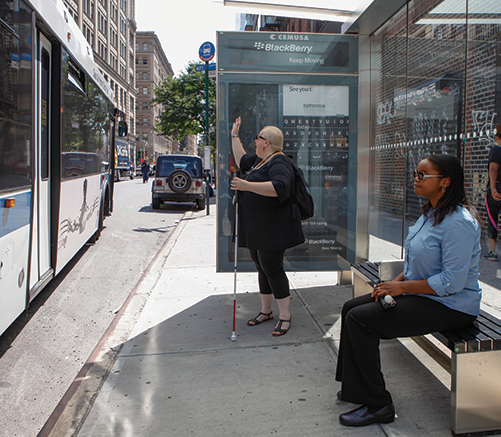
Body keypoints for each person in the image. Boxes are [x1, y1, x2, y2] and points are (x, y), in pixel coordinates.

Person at [336, 154, 481, 427]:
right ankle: (356, 388)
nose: (416, 178)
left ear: (446, 182)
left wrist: (401, 287)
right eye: (416, 173)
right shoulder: (431, 213)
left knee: (361, 320)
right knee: (350, 308)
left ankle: (378, 404)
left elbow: (452, 282)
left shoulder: (459, 223)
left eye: (423, 175)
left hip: (452, 305)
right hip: (424, 294)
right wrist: (394, 286)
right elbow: (416, 263)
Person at [230, 116, 305, 336]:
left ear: (267, 142)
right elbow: (241, 159)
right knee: (261, 267)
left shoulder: (279, 162)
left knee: (272, 268)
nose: (254, 141)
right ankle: (266, 311)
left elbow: (280, 187)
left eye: (257, 138)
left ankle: (285, 316)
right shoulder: (259, 161)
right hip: (258, 227)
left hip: (273, 228)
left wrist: (246, 185)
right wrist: (234, 135)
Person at [483, 122, 501, 261]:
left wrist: (493, 187)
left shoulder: (496, 150)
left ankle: (492, 252)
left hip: (497, 188)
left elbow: (493, 169)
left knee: (492, 218)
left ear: (496, 136)